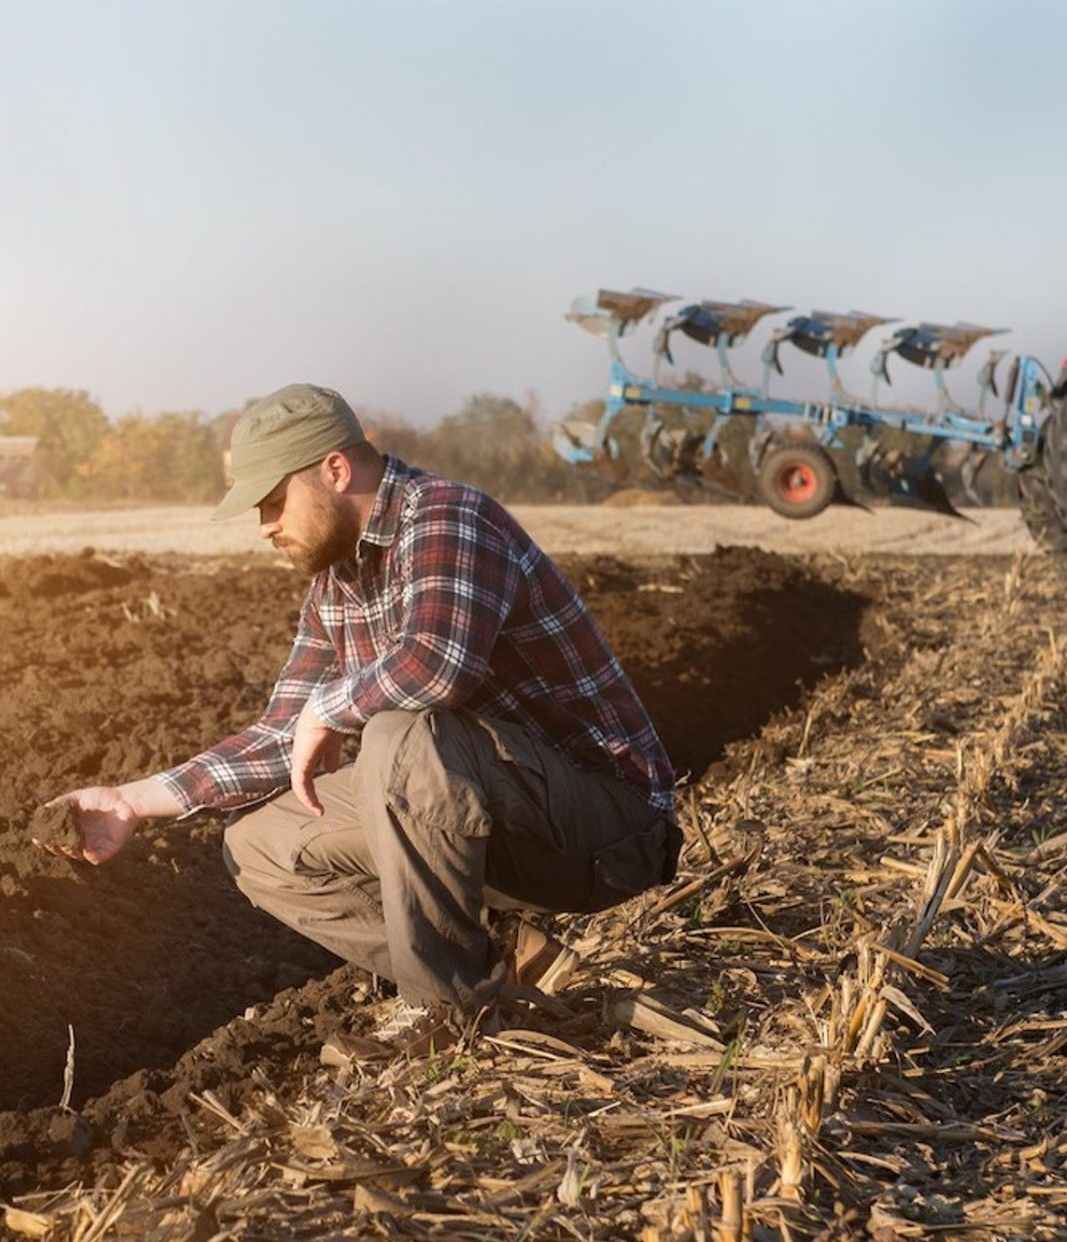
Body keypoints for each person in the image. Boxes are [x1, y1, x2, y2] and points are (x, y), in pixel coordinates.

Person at [47, 383, 680, 1056]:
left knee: (399, 734)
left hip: (607, 834)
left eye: (271, 503)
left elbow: (437, 665)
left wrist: (330, 706)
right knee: (258, 846)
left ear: (335, 470)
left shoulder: (448, 517)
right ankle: (496, 967)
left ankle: (449, 1012)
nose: (264, 526)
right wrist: (132, 802)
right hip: (504, 820)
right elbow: (280, 736)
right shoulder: (335, 586)